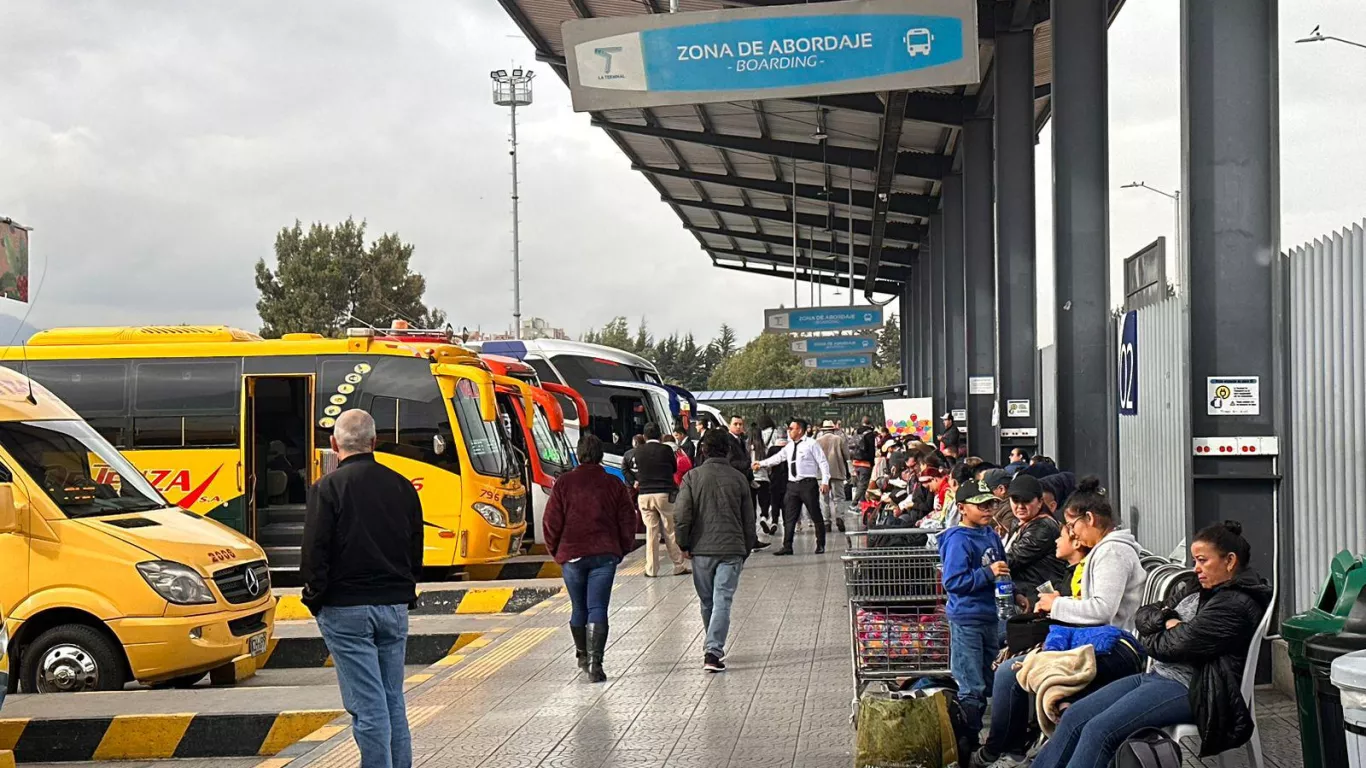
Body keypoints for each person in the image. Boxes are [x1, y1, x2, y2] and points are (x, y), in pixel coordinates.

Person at [1030, 521, 1272, 768]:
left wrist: (1164, 627)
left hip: (1192, 688)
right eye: (1194, 561)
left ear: (1230, 561)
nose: (1196, 568)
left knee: (1099, 730)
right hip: (1157, 676)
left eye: (1203, 561)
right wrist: (1170, 622)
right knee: (1075, 715)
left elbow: (1174, 645)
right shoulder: (1198, 586)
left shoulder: (1236, 604)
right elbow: (1146, 615)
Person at [975, 477, 1147, 768]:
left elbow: (1103, 610)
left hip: (1109, 647)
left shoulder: (1113, 552)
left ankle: (1005, 749)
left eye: (1072, 527)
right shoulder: (1105, 551)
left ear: (1089, 518)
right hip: (1095, 641)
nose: (1072, 535)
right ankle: (1012, 747)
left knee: (1011, 672)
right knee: (1012, 669)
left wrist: (1057, 604)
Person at [301, 410, 422, 768]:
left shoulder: (327, 488)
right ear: (375, 441)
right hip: (394, 607)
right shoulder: (402, 486)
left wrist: (315, 599)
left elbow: (314, 554)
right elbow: (415, 550)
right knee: (391, 701)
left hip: (345, 609)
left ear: (334, 443)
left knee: (368, 707)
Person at [542, 435, 639, 683]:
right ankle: (596, 664)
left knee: (579, 607)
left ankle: (582, 656)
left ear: (578, 453)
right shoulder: (613, 483)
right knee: (598, 608)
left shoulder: (564, 483)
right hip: (604, 554)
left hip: (572, 555)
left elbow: (551, 522)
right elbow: (628, 519)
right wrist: (621, 548)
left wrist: (557, 551)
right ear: (600, 456)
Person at [674, 430, 758, 673]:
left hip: (701, 550)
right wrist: (747, 547)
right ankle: (713, 649)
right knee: (722, 599)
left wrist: (683, 544)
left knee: (708, 600)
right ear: (728, 450)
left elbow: (682, 515)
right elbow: (748, 519)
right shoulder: (739, 478)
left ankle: (712, 648)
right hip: (732, 548)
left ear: (703, 450)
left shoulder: (691, 477)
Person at [939, 478, 1010, 747]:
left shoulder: (990, 534)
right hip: (967, 619)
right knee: (971, 686)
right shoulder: (958, 540)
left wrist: (1013, 592)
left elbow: (1003, 568)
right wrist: (986, 573)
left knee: (991, 678)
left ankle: (989, 738)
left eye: (990, 503)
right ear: (962, 508)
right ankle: (966, 742)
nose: (988, 509)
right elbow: (953, 582)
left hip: (991, 617)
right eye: (980, 505)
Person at [754, 419, 830, 556]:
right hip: (792, 485)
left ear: (799, 430)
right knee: (789, 517)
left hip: (808, 484)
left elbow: (823, 462)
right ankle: (787, 546)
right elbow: (777, 458)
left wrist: (825, 481)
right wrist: (761, 463)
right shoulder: (789, 446)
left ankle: (820, 543)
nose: (789, 431)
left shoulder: (811, 444)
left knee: (815, 514)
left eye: (791, 428)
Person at [1002, 474, 1068, 606]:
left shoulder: (1043, 527)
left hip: (1035, 598)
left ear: (1040, 501)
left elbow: (1011, 560)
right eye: (1015, 500)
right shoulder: (1020, 522)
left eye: (1026, 501)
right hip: (1024, 594)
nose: (1020, 506)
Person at [633, 423, 689, 578]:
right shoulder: (666, 450)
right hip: (664, 494)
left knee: (652, 532)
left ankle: (651, 569)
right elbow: (673, 469)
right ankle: (678, 565)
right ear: (659, 436)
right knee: (670, 530)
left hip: (644, 495)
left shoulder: (639, 451)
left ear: (644, 437)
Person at [815, 419, 851, 533]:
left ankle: (826, 522)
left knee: (824, 498)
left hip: (821, 473)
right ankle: (840, 517)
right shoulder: (839, 439)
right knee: (839, 497)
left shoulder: (817, 441)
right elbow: (847, 455)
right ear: (833, 429)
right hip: (837, 471)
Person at [852, 416, 878, 502]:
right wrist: (872, 462)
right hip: (865, 462)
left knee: (860, 483)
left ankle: (862, 504)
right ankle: (854, 503)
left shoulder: (856, 432)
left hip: (855, 461)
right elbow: (871, 450)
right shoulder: (870, 434)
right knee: (863, 485)